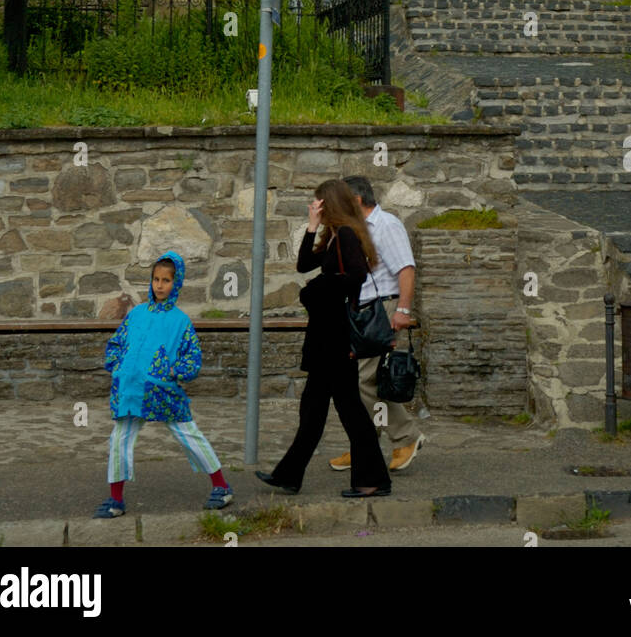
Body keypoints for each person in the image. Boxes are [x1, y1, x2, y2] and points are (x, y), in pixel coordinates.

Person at [256, 180, 391, 498]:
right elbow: (304, 265)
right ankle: (289, 475)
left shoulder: (345, 234)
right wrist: (312, 226)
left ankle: (372, 480)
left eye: (319, 203)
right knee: (313, 410)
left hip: (335, 339)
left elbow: (355, 276)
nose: (315, 207)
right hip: (325, 338)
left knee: (350, 411)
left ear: (330, 202)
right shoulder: (334, 235)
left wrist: (313, 292)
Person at [95, 250, 232, 517]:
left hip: (164, 392)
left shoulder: (181, 322)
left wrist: (171, 372)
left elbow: (193, 360)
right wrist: (117, 367)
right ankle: (115, 500)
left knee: (189, 435)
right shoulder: (136, 315)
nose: (159, 285)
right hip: (131, 391)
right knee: (119, 440)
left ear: (176, 282)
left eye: (166, 280)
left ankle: (222, 486)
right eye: (156, 279)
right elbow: (116, 343)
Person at [328, 177, 427, 474]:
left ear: (357, 201)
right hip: (362, 311)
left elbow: (406, 269)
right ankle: (364, 442)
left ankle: (405, 436)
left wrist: (403, 310)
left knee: (359, 380)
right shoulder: (355, 230)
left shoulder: (387, 225)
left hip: (381, 309)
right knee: (366, 380)